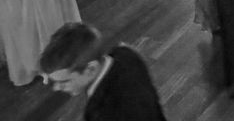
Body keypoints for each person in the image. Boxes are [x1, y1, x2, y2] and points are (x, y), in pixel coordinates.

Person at [39, 22, 168, 120]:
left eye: (64, 82)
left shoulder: (106, 113)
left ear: (91, 69)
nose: (56, 88)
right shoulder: (125, 53)